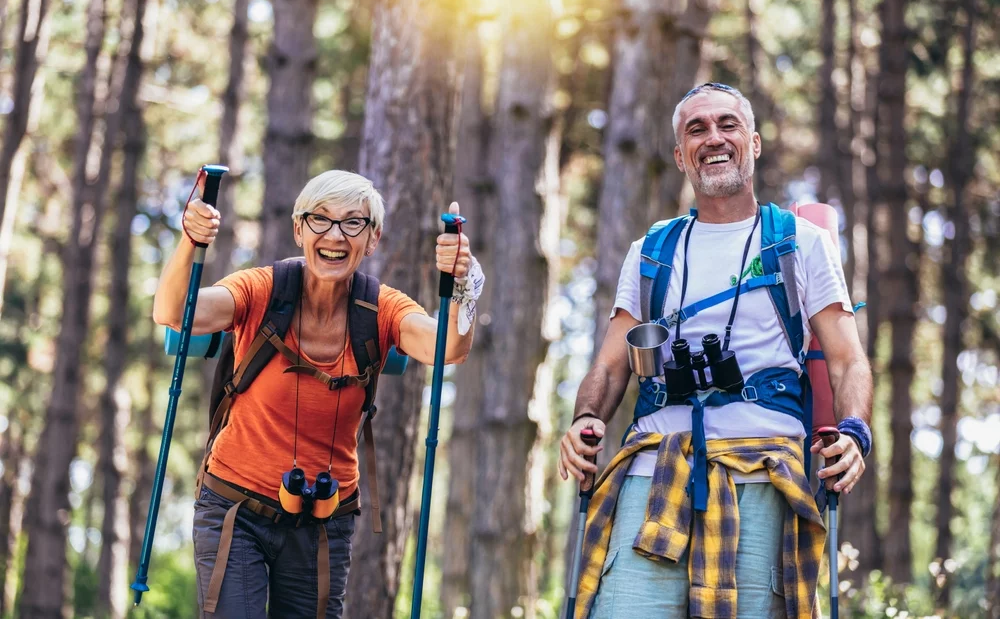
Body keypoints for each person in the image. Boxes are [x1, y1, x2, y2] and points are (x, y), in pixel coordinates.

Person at [558, 83, 873, 619]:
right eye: (696, 129)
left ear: (753, 142)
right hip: (652, 472)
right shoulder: (649, 251)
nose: (714, 138)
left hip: (764, 470)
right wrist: (586, 420)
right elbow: (612, 365)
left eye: (727, 124)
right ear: (680, 156)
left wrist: (855, 433)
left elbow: (847, 359)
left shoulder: (800, 242)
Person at [153, 170, 484, 618]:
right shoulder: (261, 290)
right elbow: (174, 313)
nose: (335, 235)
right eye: (320, 220)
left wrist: (463, 284)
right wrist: (190, 241)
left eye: (353, 223)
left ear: (373, 239)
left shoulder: (381, 309)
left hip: (324, 521)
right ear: (298, 229)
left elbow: (447, 349)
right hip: (235, 508)